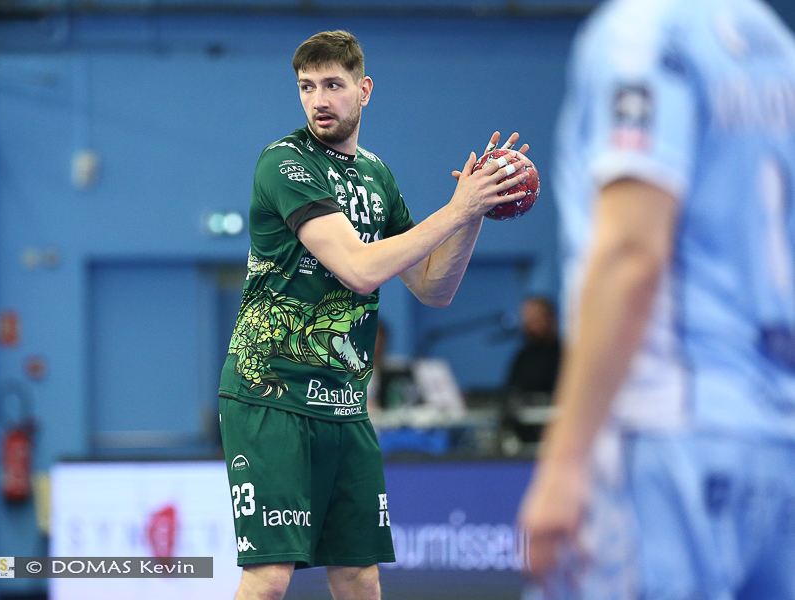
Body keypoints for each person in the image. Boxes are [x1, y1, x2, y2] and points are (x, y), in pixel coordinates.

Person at [218, 30, 532, 600]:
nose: (319, 100)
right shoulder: (284, 164)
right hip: (271, 396)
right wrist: (454, 207)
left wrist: (473, 213)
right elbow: (360, 270)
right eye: (307, 87)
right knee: (268, 578)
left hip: (345, 405)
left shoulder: (377, 177)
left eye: (333, 85)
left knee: (360, 576)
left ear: (363, 91)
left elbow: (434, 287)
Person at [519, 1, 795, 599]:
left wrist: (565, 461)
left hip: (665, 437)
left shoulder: (641, 36)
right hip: (773, 435)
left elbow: (631, 252)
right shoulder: (774, 44)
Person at [506, 296, 561, 394]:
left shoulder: (566, 356)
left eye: (535, 319)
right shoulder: (523, 356)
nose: (529, 325)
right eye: (527, 320)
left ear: (551, 319)